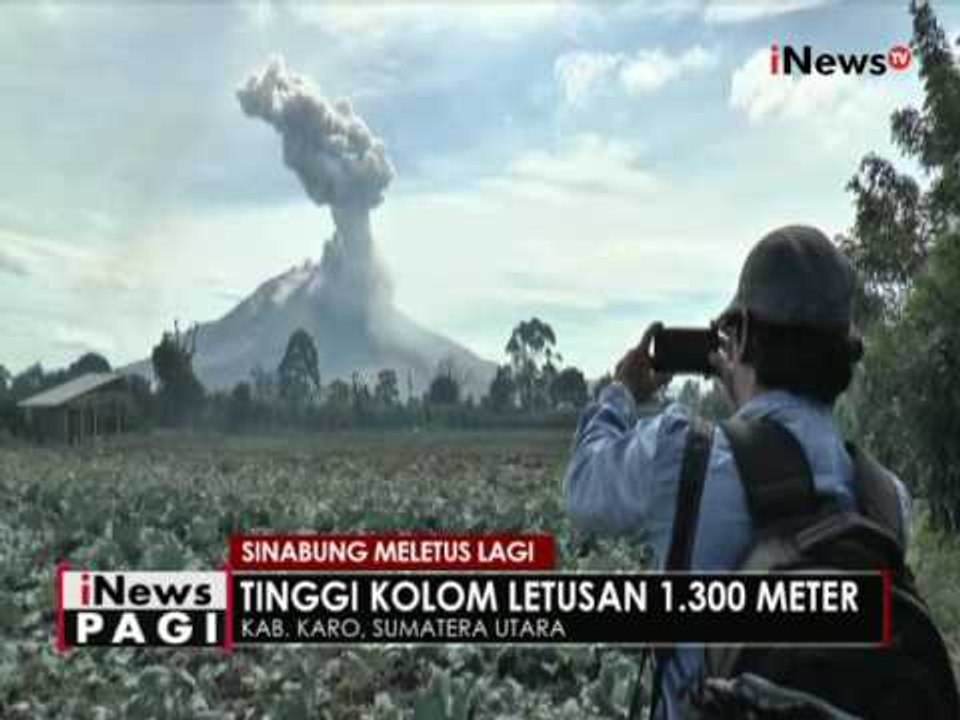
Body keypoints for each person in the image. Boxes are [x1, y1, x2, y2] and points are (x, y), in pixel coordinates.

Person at [563, 224, 911, 720]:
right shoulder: (887, 499)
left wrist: (620, 393)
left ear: (742, 335)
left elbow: (583, 489)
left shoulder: (686, 455)